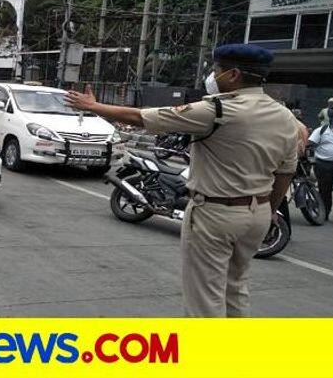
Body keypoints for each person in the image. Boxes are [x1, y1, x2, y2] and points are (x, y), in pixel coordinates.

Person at [65, 44, 299, 317]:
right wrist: (269, 210)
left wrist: (93, 106)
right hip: (258, 213)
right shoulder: (285, 116)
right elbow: (286, 172)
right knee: (235, 287)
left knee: (204, 296)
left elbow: (140, 117)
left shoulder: (218, 110)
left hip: (215, 213)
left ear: (233, 74)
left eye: (217, 70)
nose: (213, 76)